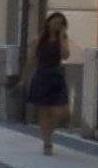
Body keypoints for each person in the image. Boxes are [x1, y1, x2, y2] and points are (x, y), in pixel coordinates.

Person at [26, 12, 70, 154]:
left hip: (57, 76)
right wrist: (25, 78)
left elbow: (65, 55)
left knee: (61, 112)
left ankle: (48, 132)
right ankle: (47, 142)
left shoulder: (62, 39)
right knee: (44, 111)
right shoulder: (39, 39)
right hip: (42, 76)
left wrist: (62, 37)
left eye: (60, 23)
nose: (57, 25)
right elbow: (31, 60)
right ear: (48, 22)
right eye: (55, 22)